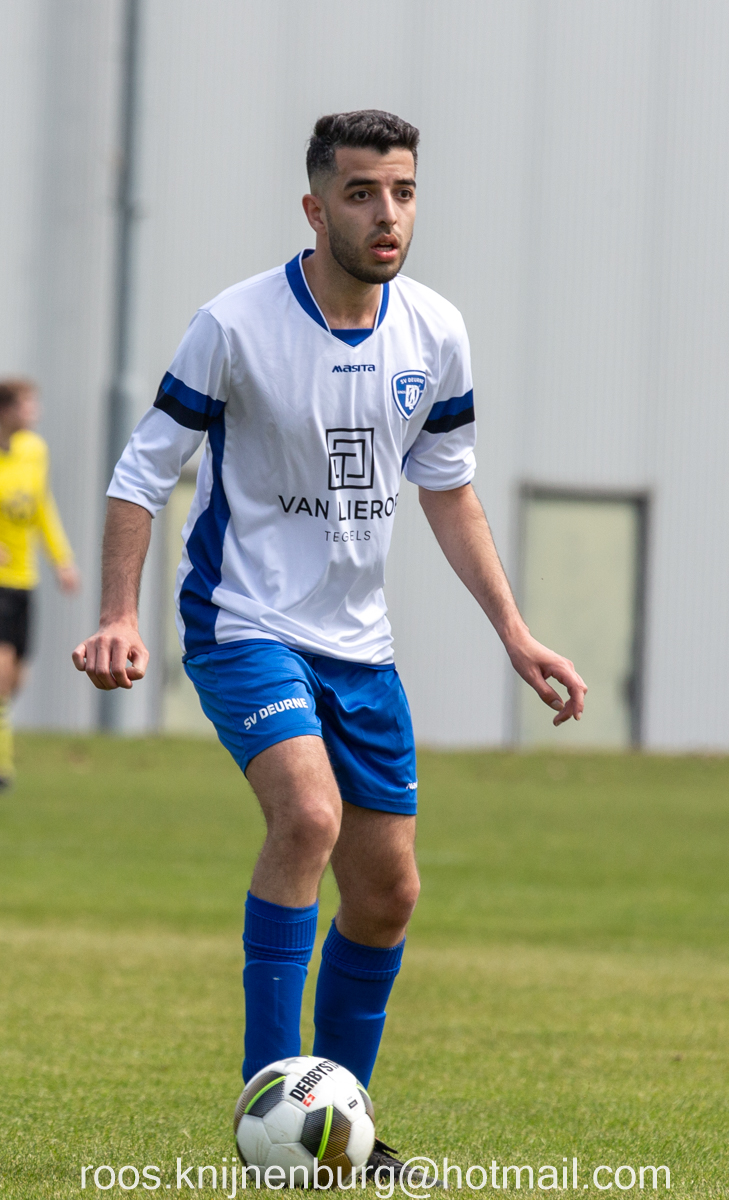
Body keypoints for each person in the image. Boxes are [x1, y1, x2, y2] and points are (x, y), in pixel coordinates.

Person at [73, 110, 586, 1172]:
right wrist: (119, 613)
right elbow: (142, 473)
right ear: (314, 208)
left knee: (388, 894)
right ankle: (271, 1114)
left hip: (360, 647)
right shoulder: (234, 325)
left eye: (402, 190)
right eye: (360, 193)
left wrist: (515, 632)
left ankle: (340, 1127)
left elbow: (448, 490)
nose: (386, 213)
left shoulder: (434, 332)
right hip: (244, 624)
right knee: (307, 815)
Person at [0, 378, 79, 786]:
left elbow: (42, 508)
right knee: (1, 673)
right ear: (6, 409)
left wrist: (62, 561)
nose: (36, 412)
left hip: (24, 581)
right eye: (28, 405)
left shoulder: (35, 451)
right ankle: (3, 766)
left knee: (16, 679)